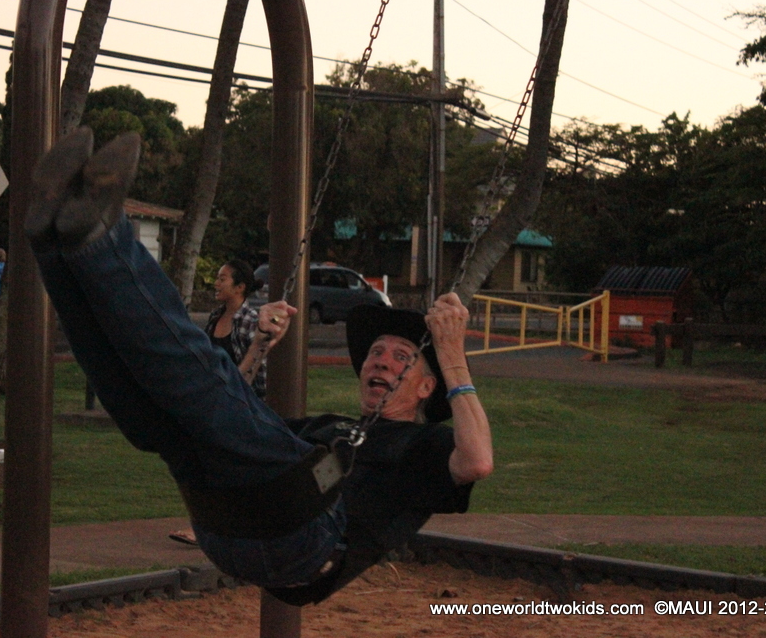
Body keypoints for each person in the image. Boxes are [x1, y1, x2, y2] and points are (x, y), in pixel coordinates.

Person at [24, 127, 493, 605]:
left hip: (306, 543)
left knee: (205, 392)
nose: (381, 361)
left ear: (426, 387)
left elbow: (477, 461)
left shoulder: (425, 447)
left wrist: (451, 354)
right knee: (157, 417)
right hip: (231, 525)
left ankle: (103, 235)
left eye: (401, 358)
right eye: (377, 351)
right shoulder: (328, 430)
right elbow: (237, 417)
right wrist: (258, 348)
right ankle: (54, 244)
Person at [170, 259, 267, 547]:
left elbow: (259, 368)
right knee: (207, 464)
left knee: (229, 467)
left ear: (239, 287)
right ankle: (208, 527)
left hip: (242, 406)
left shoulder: (250, 320)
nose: (216, 283)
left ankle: (216, 528)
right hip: (216, 404)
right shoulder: (215, 317)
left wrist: (237, 396)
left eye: (222, 278)